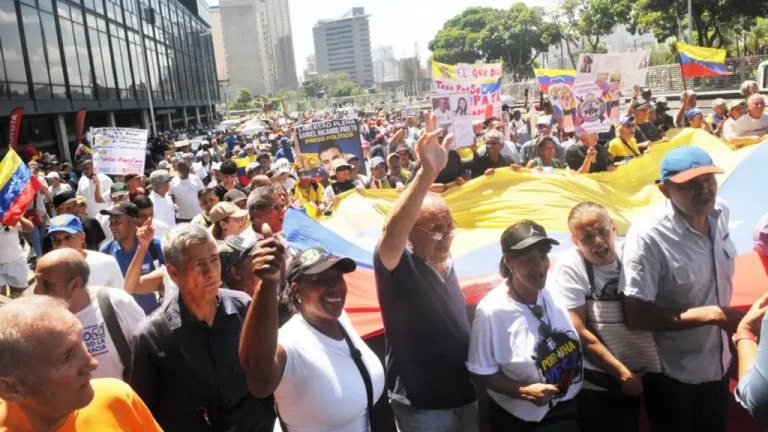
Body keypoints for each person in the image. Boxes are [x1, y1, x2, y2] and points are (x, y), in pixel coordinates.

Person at [619, 146, 745, 431]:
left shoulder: (720, 210)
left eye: (708, 180)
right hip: (673, 376)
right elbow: (637, 315)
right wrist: (711, 314)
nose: (704, 190)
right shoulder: (648, 238)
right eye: (691, 185)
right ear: (665, 191)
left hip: (718, 363)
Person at [374, 115, 479, 431]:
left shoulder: (450, 265)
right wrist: (427, 171)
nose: (446, 236)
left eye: (450, 227)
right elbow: (391, 233)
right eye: (435, 229)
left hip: (464, 397)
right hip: (423, 407)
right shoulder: (398, 267)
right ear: (411, 232)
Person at [129, 224, 277, 432]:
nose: (211, 272)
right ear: (173, 273)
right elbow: (144, 414)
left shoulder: (244, 308)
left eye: (214, 260)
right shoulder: (151, 336)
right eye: (199, 264)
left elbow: (269, 370)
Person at [240, 241, 385, 431]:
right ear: (296, 290)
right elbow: (259, 383)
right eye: (322, 281)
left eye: (338, 278)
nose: (335, 287)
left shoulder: (343, 320)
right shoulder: (289, 344)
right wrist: (267, 285)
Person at [468, 221, 583, 430]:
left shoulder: (553, 288)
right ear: (508, 262)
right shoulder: (491, 311)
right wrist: (523, 391)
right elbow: (480, 372)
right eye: (528, 259)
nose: (539, 266)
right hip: (524, 420)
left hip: (566, 406)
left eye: (542, 257)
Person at [0, 296, 162, 431]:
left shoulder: (117, 398)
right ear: (11, 388)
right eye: (67, 357)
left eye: (81, 340)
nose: (93, 363)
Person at [551, 203, 646, 431]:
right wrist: (622, 374)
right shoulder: (570, 267)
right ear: (575, 241)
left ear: (614, 228)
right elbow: (579, 332)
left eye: (603, 231)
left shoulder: (634, 255)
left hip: (639, 368)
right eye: (587, 237)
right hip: (598, 379)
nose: (598, 242)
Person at [33, 248, 145, 381]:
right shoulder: (39, 319)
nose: (36, 291)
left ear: (75, 284)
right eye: (36, 281)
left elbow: (147, 353)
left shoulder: (116, 303)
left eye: (47, 284)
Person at [99, 201, 165, 315]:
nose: (111, 227)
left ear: (133, 220)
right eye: (111, 222)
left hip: (156, 320)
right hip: (124, 322)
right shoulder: (106, 250)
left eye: (117, 221)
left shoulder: (156, 246)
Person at [47, 215, 125, 289]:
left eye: (68, 237)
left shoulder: (106, 262)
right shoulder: (48, 270)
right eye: (56, 240)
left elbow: (121, 298)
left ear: (82, 237)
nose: (62, 244)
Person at [0, 216, 33, 298]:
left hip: (15, 263)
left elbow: (29, 227)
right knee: (1, 299)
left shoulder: (10, 216)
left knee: (19, 297)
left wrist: (16, 215)